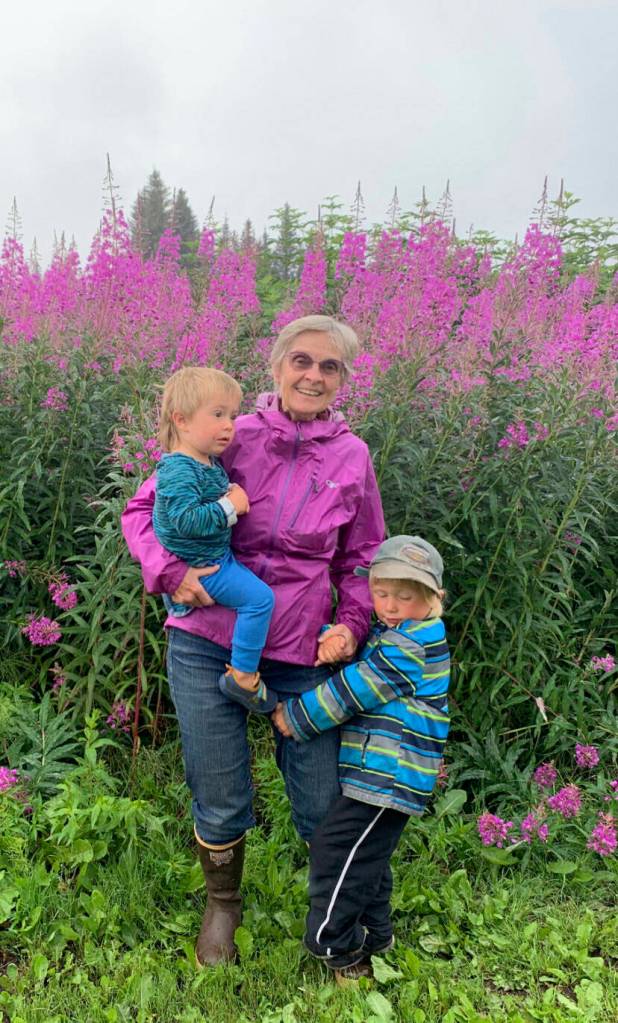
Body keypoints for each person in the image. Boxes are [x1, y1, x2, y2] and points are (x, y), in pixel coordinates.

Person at [121, 315, 385, 967]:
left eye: (329, 366)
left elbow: (362, 557)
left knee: (321, 799)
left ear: (343, 380)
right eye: (302, 360)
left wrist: (352, 624)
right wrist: (171, 573)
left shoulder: (352, 457)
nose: (313, 376)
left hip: (300, 651)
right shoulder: (230, 432)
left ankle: (336, 918)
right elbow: (143, 512)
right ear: (277, 366)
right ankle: (223, 906)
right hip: (207, 639)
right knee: (218, 789)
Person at [273, 536, 450, 983]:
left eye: (404, 597)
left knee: (335, 849)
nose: (389, 606)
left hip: (389, 778)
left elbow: (354, 690)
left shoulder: (412, 647)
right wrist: (331, 638)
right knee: (366, 856)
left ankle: (336, 942)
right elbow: (359, 665)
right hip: (379, 776)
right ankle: (376, 934)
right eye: (381, 593)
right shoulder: (398, 634)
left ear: (433, 598)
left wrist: (296, 716)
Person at [153, 366, 276, 712]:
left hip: (213, 555)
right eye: (218, 414)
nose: (229, 426)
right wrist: (230, 505)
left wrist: (228, 492)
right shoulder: (179, 468)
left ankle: (179, 605)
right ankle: (243, 676)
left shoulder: (203, 460)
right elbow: (186, 521)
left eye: (233, 416)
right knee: (259, 600)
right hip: (205, 564)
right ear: (181, 420)